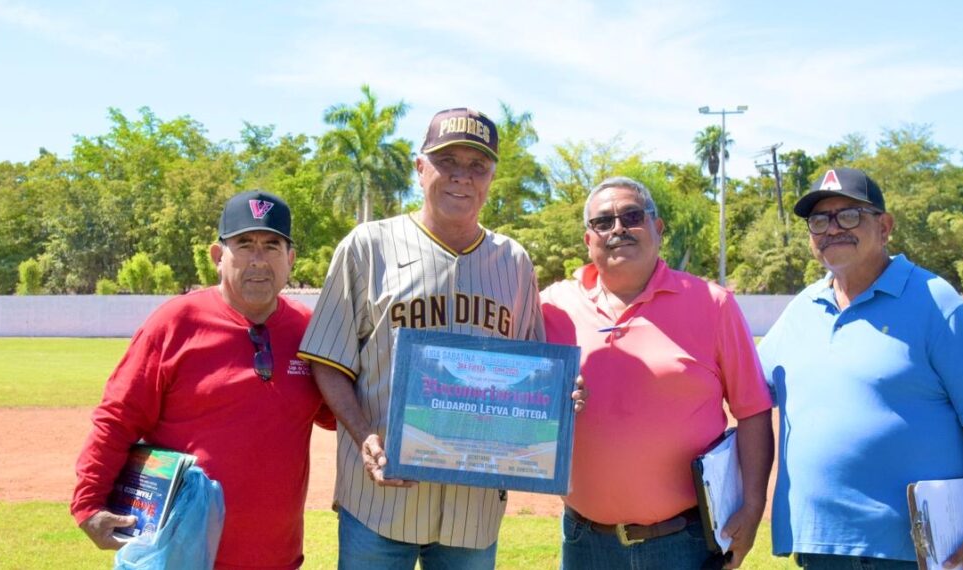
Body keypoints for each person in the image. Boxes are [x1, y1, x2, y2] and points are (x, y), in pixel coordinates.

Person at [299, 107, 567, 570]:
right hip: (378, 501)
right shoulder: (367, 246)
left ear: (491, 178)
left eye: (477, 166)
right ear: (420, 168)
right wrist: (364, 437)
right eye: (448, 162)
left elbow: (530, 374)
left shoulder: (514, 262)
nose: (462, 177)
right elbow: (328, 358)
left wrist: (558, 397)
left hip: (474, 509)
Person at [758, 167, 963, 569]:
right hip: (820, 546)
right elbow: (748, 389)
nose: (832, 229)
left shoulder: (936, 302)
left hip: (912, 551)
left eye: (849, 215)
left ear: (885, 226)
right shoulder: (801, 309)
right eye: (819, 220)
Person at [71, 190, 335, 570]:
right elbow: (118, 415)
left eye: (272, 246)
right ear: (218, 257)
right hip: (178, 556)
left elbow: (336, 412)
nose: (259, 260)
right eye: (244, 245)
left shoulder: (308, 332)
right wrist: (89, 503)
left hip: (277, 558)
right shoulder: (175, 323)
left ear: (290, 259)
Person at [541, 176, 775, 570]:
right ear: (588, 239)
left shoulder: (712, 304)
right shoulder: (552, 307)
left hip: (682, 541)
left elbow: (752, 409)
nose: (618, 229)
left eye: (632, 216)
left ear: (657, 228)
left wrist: (752, 507)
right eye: (603, 222)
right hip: (584, 542)